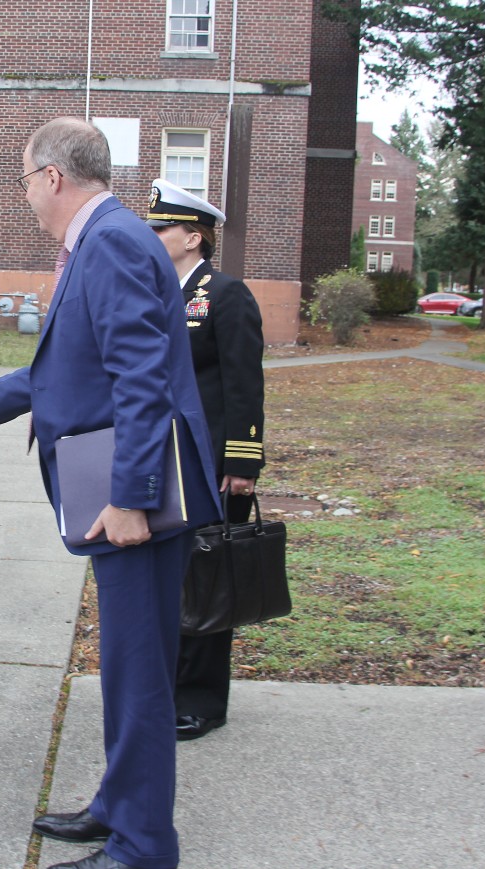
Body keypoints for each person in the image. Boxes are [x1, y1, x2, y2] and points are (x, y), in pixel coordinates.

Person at [0, 118, 221, 869]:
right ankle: (120, 806)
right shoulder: (102, 239)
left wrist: (130, 497)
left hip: (133, 501)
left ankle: (144, 847)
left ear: (52, 177)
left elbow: (141, 381)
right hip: (118, 488)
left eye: (25, 181)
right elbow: (66, 369)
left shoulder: (111, 241)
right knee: (125, 665)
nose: (26, 197)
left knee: (138, 673)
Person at [146, 179, 266, 741]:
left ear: (193, 236)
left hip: (212, 463)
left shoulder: (225, 294)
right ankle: (165, 688)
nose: (152, 237)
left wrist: (243, 462)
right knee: (170, 579)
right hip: (164, 460)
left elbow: (245, 384)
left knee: (206, 579)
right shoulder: (156, 291)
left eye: (161, 228)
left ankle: (200, 701)